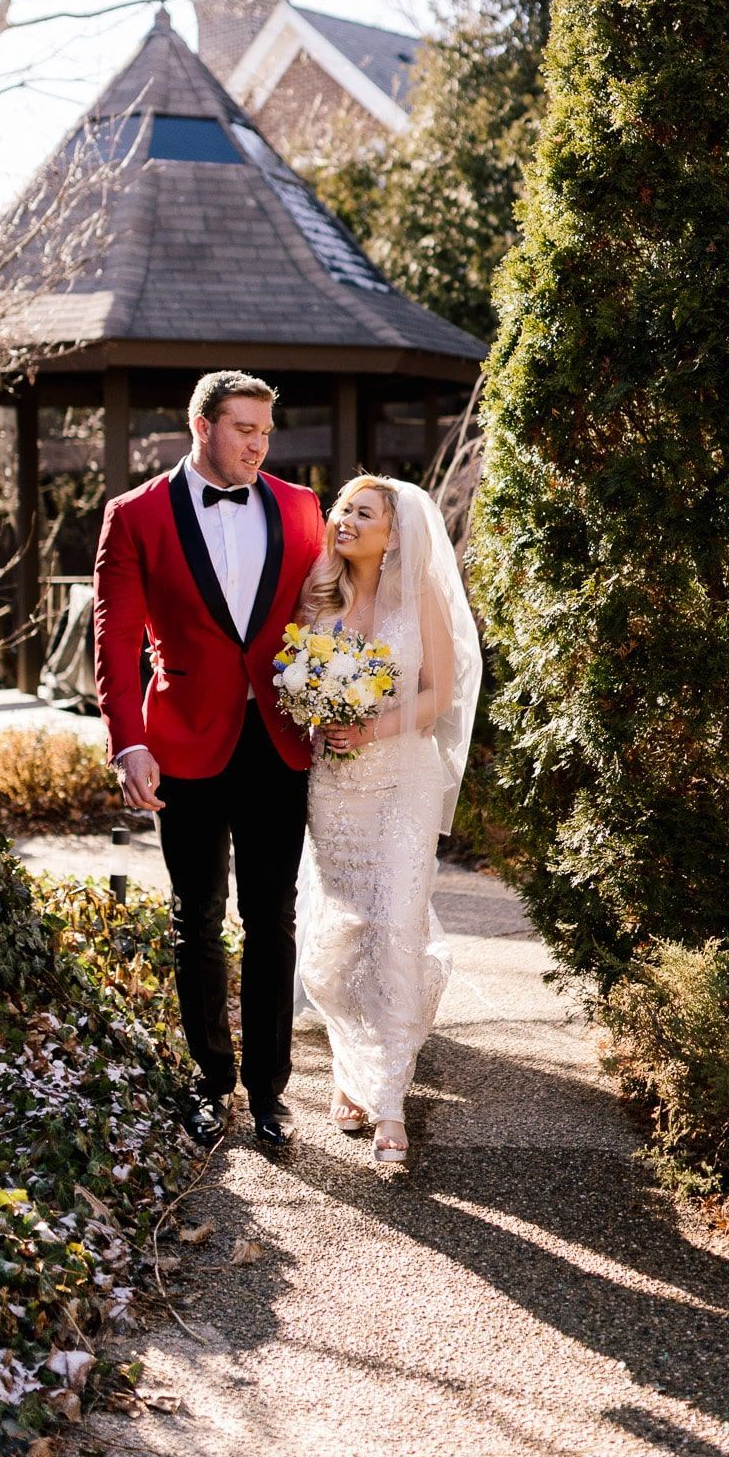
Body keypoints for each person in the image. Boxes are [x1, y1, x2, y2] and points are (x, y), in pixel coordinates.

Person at [92, 370, 325, 1150]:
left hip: (277, 741)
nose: (258, 444)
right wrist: (128, 742)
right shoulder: (134, 515)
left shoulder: (299, 507)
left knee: (272, 916)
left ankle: (268, 1092)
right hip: (182, 740)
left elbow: (328, 617)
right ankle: (209, 1082)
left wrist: (342, 701)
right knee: (195, 919)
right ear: (202, 427)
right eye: (243, 429)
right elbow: (115, 638)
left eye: (265, 431)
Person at [298, 475, 481, 1169]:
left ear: (395, 530)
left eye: (361, 512)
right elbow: (297, 679)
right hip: (335, 786)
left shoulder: (422, 597)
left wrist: (372, 729)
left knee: (395, 924)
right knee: (345, 931)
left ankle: (389, 1100)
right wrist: (314, 711)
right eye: (342, 509)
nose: (343, 519)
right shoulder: (319, 599)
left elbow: (439, 692)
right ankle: (351, 1066)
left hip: (403, 777)